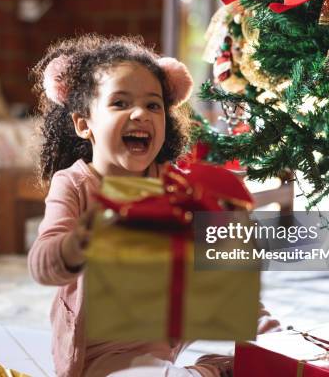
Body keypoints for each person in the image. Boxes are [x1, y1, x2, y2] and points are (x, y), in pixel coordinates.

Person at [28, 34, 280, 377]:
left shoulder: (176, 183)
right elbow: (43, 263)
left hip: (175, 337)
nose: (140, 114)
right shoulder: (74, 184)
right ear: (84, 123)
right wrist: (76, 245)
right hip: (108, 354)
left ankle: (212, 369)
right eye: (120, 103)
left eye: (153, 105)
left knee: (262, 344)